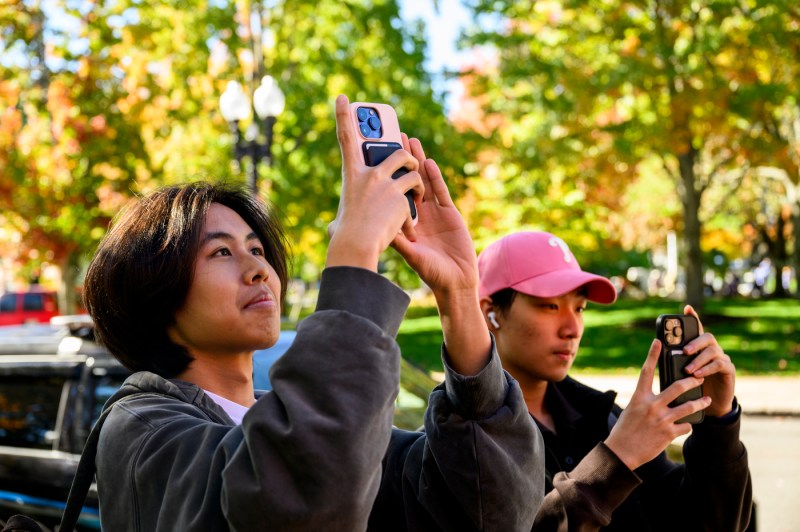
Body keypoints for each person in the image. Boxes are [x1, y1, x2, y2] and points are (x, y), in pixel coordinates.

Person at [81, 95, 544, 531]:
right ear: (153, 292)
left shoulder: (310, 422)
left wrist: (459, 297)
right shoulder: (140, 430)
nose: (259, 270)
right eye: (221, 253)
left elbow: (491, 511)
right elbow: (299, 498)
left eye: (258, 249)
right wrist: (354, 251)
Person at [477, 231, 753, 531]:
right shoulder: (461, 438)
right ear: (491, 314)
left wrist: (718, 424)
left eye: (580, 308)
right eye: (550, 306)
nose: (572, 328)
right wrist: (615, 459)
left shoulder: (603, 417)